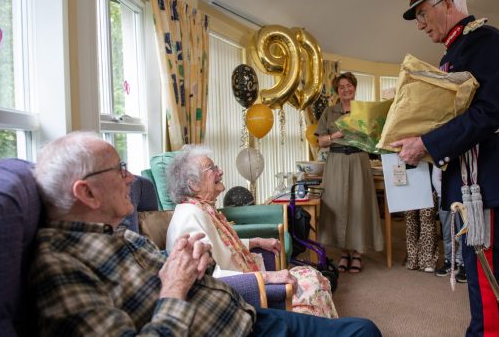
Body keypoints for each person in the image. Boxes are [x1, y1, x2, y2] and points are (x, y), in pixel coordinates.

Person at [29, 131, 381, 336]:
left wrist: (196, 266)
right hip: (234, 325)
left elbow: (195, 264)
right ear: (86, 193)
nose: (131, 178)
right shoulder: (60, 267)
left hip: (245, 315)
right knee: (363, 332)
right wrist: (175, 287)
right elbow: (173, 286)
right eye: (118, 169)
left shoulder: (117, 235)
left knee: (362, 329)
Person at [393, 0, 499, 337]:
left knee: (482, 272)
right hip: (468, 177)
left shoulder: (486, 41)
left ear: (447, 3)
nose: (420, 24)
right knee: (474, 266)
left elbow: (488, 113)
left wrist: (427, 144)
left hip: (484, 177)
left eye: (422, 13)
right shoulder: (455, 49)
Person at [165, 145, 338, 318]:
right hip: (237, 296)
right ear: (194, 184)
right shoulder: (189, 217)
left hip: (243, 277)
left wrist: (255, 241)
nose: (221, 171)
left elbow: (221, 246)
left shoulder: (200, 208)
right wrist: (268, 277)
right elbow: (208, 277)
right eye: (212, 168)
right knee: (312, 280)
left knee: (313, 275)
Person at [315, 72, 384, 274]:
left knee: (358, 204)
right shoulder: (329, 112)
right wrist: (337, 134)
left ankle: (357, 254)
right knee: (337, 204)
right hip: (336, 161)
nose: (346, 89)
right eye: (342, 87)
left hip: (358, 160)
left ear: (355, 87)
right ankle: (344, 253)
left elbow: (374, 139)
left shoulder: (364, 110)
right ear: (337, 91)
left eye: (349, 85)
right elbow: (321, 141)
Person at [432, 167, 466, 282]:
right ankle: (449, 261)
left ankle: (461, 261)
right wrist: (445, 194)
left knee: (463, 231)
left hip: (463, 196)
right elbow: (436, 178)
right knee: (447, 232)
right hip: (444, 196)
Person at [402, 193, 439, 273]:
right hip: (408, 187)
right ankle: (412, 258)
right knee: (410, 218)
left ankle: (428, 261)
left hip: (428, 186)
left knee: (427, 217)